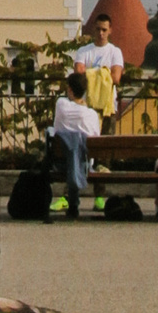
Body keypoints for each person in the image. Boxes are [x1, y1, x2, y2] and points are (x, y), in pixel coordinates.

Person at [47, 67, 101, 218]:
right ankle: (73, 205)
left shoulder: (61, 104)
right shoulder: (92, 114)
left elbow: (56, 127)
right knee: (77, 154)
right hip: (85, 164)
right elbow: (95, 136)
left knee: (72, 153)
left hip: (60, 161)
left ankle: (73, 205)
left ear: (69, 89)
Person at [73, 17, 125, 122]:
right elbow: (79, 75)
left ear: (110, 30)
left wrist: (89, 73)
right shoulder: (83, 51)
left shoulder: (115, 52)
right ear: (93, 29)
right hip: (86, 106)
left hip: (108, 107)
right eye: (98, 29)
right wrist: (104, 73)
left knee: (106, 138)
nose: (101, 33)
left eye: (104, 30)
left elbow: (115, 78)